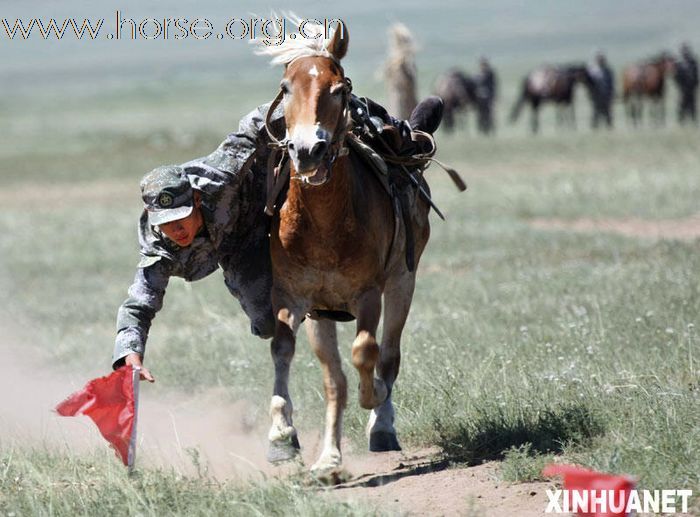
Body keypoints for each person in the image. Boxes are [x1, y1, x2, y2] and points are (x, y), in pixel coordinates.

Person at [113, 95, 444, 381]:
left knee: (354, 149)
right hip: (241, 248)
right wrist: (129, 353)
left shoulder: (222, 175)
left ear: (197, 200)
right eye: (166, 223)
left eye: (181, 217)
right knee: (269, 323)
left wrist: (319, 98)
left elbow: (255, 124)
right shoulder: (160, 247)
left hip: (274, 199)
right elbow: (139, 303)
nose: (177, 229)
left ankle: (407, 133)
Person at [587, 51, 615, 128]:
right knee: (595, 112)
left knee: (607, 112)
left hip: (606, 95)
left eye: (602, 59)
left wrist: (611, 93)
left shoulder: (608, 70)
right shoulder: (592, 71)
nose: (601, 60)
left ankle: (609, 127)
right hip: (596, 95)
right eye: (599, 59)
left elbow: (611, 84)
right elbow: (589, 84)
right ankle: (594, 127)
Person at [674, 43, 699, 124]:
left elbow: (696, 75)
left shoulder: (693, 62)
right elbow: (676, 77)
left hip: (691, 88)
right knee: (682, 105)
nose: (685, 53)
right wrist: (680, 86)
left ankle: (693, 120)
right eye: (684, 51)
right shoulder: (679, 64)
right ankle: (681, 120)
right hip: (683, 88)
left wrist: (695, 84)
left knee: (692, 105)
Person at [474, 57, 498, 134]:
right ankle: (481, 129)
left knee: (489, 114)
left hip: (488, 98)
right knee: (480, 114)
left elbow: (493, 86)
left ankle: (489, 129)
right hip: (479, 99)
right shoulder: (478, 75)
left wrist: (493, 96)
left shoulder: (490, 74)